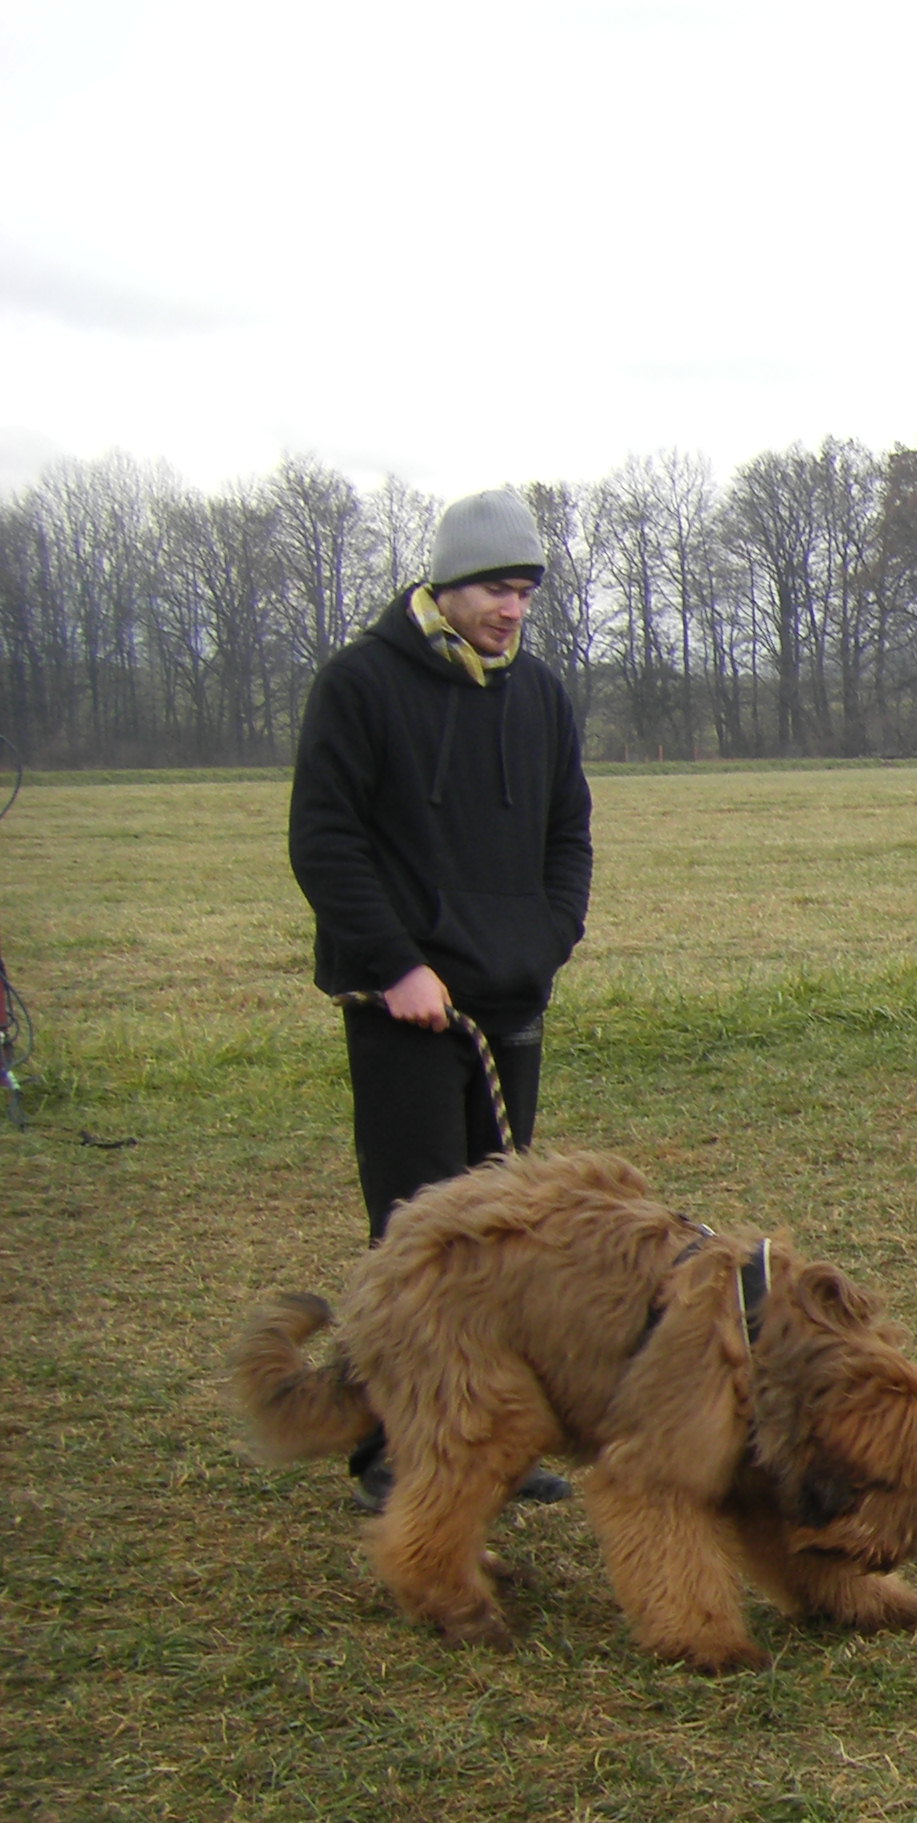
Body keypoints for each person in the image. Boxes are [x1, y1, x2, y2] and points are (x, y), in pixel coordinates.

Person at [290, 486, 593, 1509]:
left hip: (509, 1004)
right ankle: (394, 1451)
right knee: (417, 1243)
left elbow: (567, 835)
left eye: (524, 594)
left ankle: (493, 1443)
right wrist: (393, 965)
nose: (511, 611)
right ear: (447, 585)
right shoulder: (361, 685)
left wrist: (548, 940)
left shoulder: (541, 696)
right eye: (495, 590)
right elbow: (325, 841)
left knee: (499, 1247)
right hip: (407, 1009)